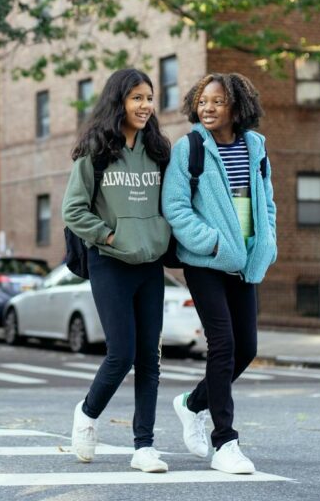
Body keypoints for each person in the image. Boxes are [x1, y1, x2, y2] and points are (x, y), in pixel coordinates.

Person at [161, 72, 277, 475]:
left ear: (237, 107)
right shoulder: (189, 147)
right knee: (223, 343)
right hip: (205, 260)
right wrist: (210, 242)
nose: (207, 108)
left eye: (217, 102)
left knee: (246, 348)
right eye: (202, 101)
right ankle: (225, 441)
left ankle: (192, 404)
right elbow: (175, 207)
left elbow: (267, 201)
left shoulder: (255, 146)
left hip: (244, 260)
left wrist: (268, 240)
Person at [61, 67, 173, 473]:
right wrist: (108, 237)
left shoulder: (160, 150)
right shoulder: (96, 150)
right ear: (119, 102)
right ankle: (87, 414)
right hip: (110, 262)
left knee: (150, 358)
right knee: (121, 354)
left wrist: (160, 237)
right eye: (136, 98)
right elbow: (72, 209)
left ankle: (144, 446)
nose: (145, 106)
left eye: (149, 98)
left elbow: (171, 203)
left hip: (150, 264)